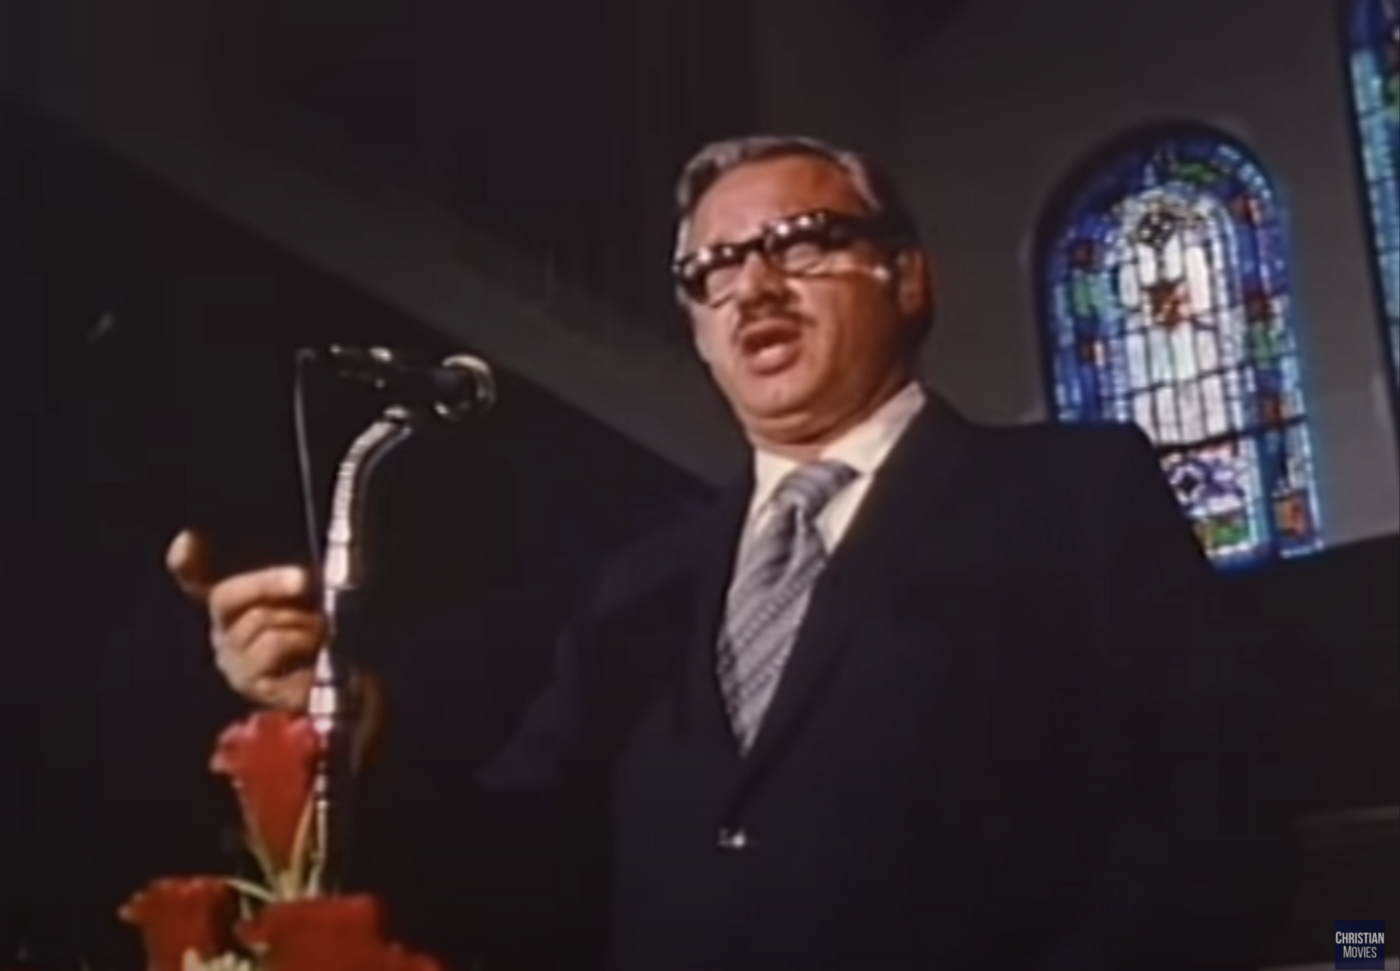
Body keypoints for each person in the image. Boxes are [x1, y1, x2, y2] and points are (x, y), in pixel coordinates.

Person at [168, 134, 1284, 970]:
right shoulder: (634, 583)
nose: (750, 284)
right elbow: (517, 857)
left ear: (905, 276)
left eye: (798, 242)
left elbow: (1197, 819)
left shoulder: (1069, 491)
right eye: (711, 270)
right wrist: (358, 726)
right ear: (699, 332)